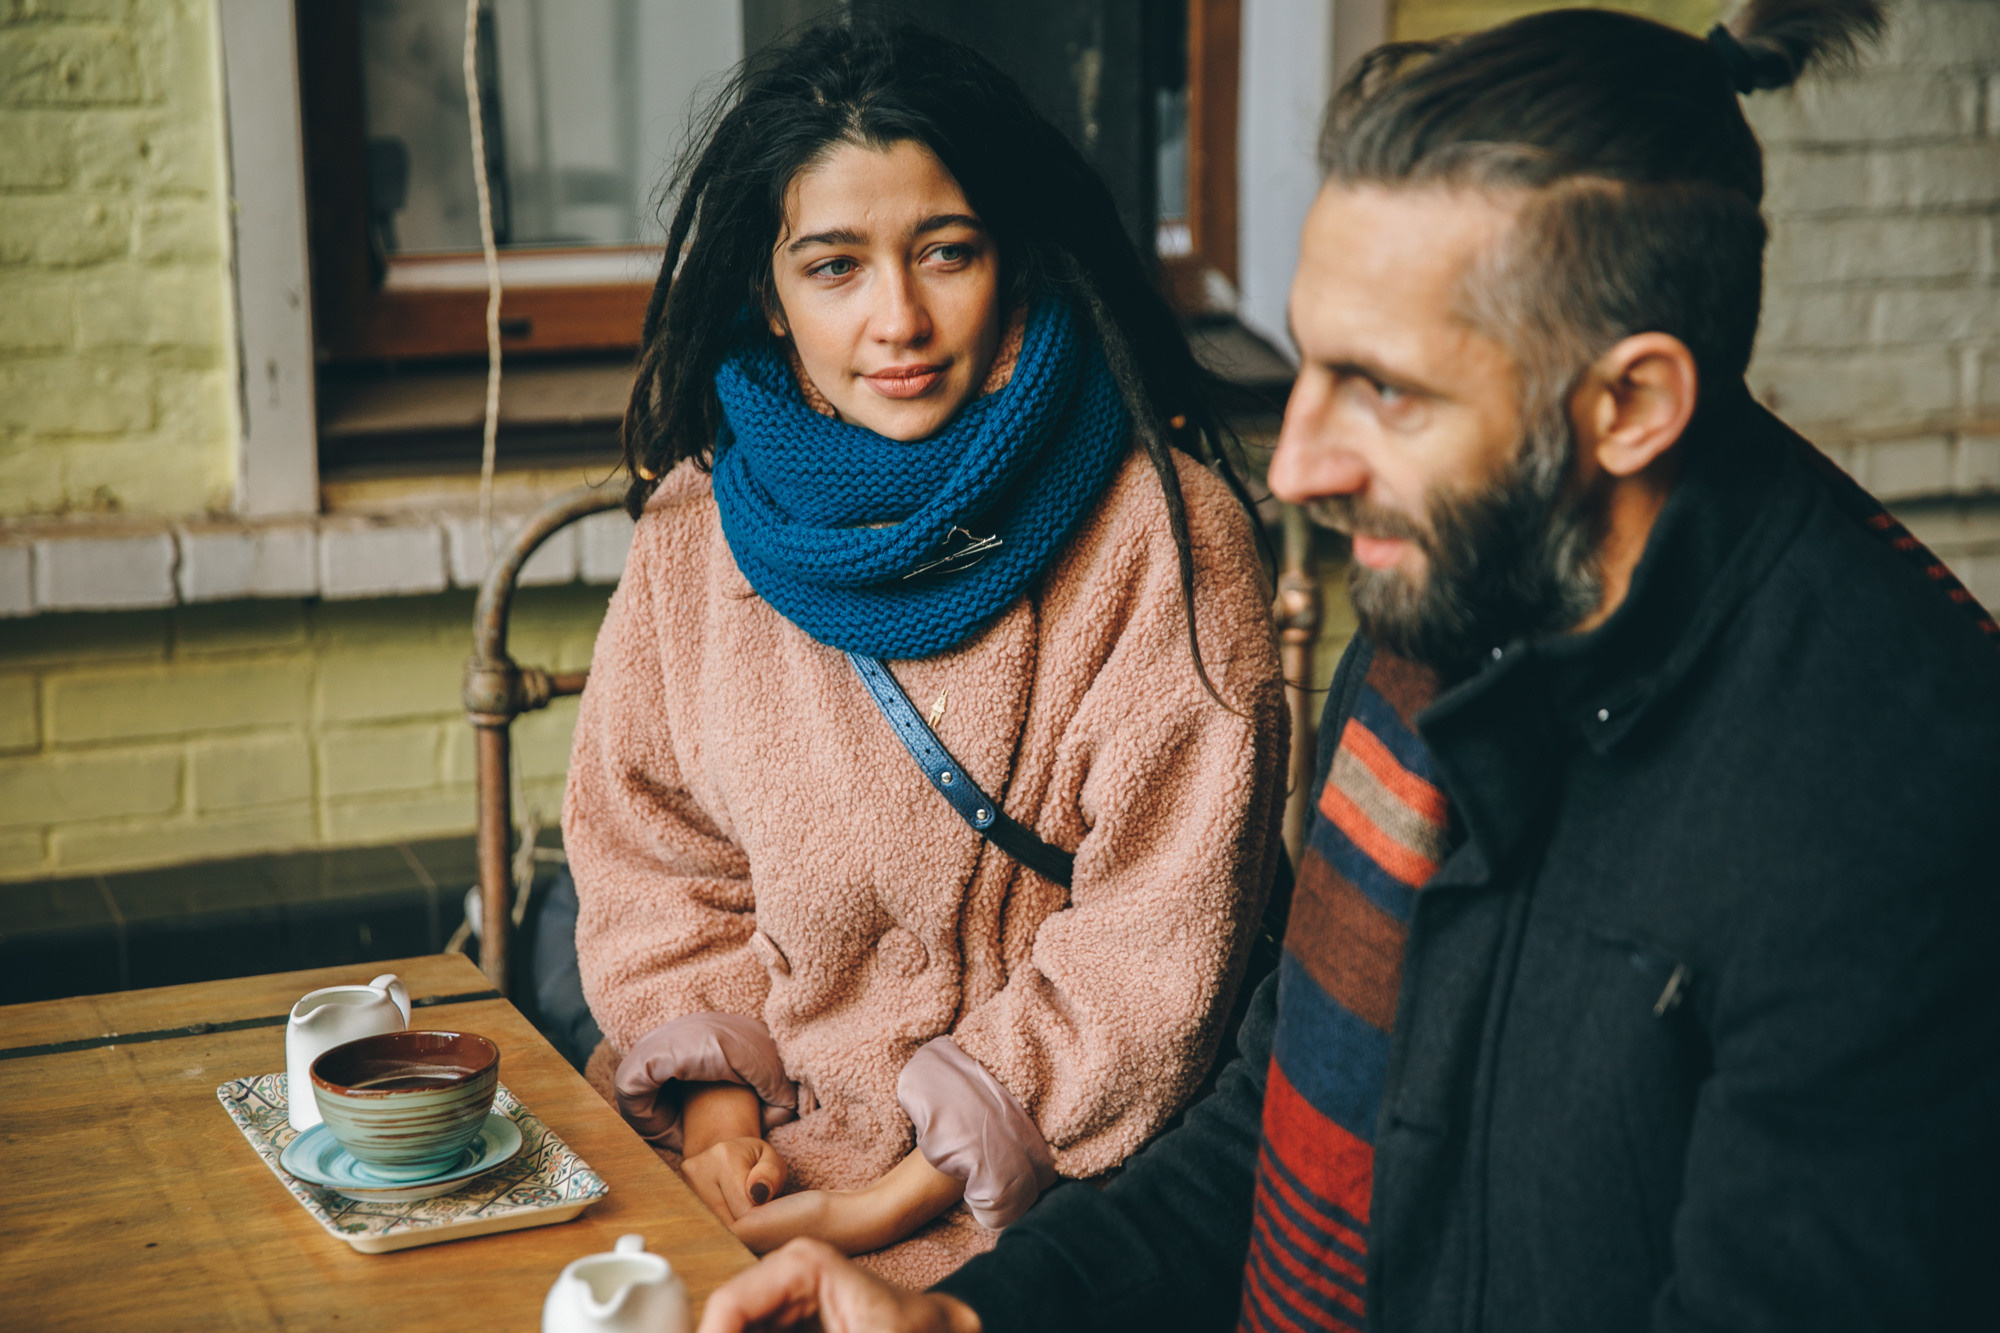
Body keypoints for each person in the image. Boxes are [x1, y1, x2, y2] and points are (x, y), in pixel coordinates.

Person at [693, 2, 2000, 1329]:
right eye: (1310, 360)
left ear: (1631, 405)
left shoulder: (1898, 804)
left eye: (1386, 390)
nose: (1303, 467)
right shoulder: (1456, 588)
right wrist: (970, 1319)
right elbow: (1279, 1126)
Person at [562, 20, 1289, 1289]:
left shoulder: (1160, 534)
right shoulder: (694, 533)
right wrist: (724, 1125)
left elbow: (1153, 950)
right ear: (766, 296)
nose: (897, 319)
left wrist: (873, 1210)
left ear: (1010, 257)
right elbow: (657, 863)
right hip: (761, 1164)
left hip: (1071, 1216)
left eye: (944, 252)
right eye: (833, 266)